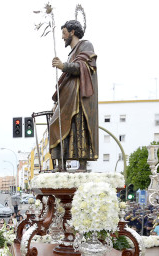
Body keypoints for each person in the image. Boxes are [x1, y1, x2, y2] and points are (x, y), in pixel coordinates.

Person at [49, 19, 98, 171]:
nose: (63, 37)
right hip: (67, 95)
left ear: (72, 32)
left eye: (64, 33)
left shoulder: (85, 45)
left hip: (78, 97)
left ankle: (82, 164)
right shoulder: (71, 53)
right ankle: (60, 164)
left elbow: (83, 66)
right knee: (55, 125)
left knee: (79, 126)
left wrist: (63, 66)